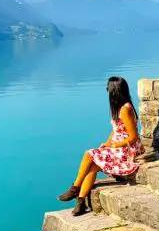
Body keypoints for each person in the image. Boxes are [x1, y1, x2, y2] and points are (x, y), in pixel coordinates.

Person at [58, 76, 142, 216]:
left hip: (127, 149)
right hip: (119, 147)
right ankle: (80, 202)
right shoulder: (121, 108)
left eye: (108, 89)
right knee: (92, 167)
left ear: (114, 92)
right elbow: (117, 130)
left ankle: (75, 188)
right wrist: (108, 143)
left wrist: (114, 146)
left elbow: (133, 137)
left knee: (88, 154)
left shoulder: (125, 110)